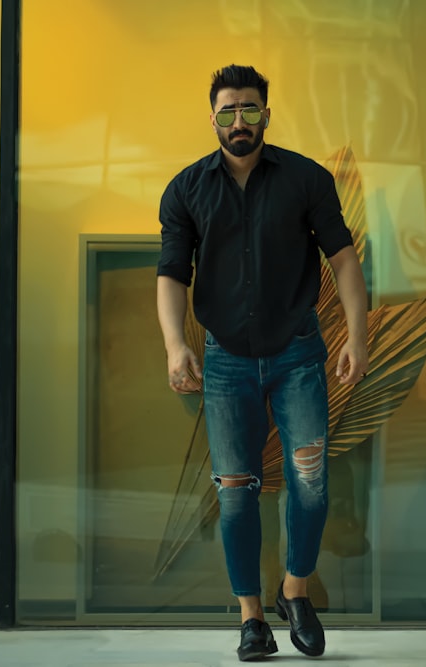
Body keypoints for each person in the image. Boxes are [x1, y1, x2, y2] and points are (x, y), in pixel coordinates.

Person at [156, 64, 368, 661]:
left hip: (299, 353)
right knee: (236, 492)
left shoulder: (306, 180)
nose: (239, 121)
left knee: (311, 482)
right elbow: (172, 274)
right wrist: (176, 344)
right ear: (214, 118)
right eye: (228, 112)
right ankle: (251, 619)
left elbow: (345, 262)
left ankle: (295, 591)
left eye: (250, 109)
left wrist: (359, 336)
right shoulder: (186, 190)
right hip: (225, 362)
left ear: (267, 115)